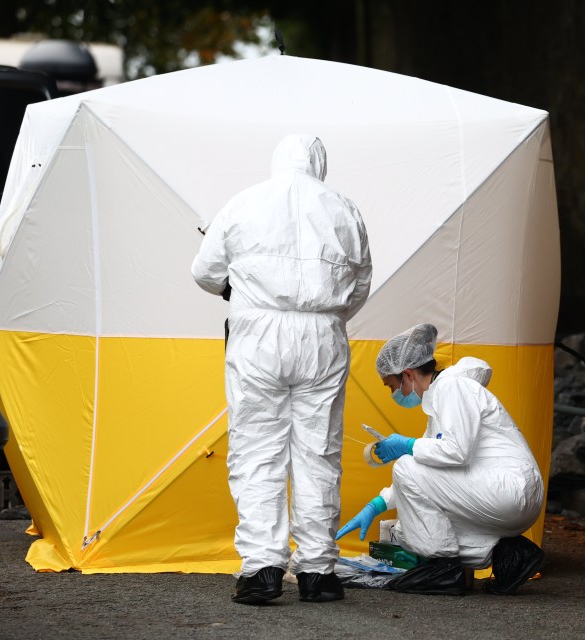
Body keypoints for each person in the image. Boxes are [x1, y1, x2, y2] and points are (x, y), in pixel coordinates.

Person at [192, 134, 372, 605]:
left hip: (258, 334)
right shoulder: (344, 208)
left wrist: (242, 290)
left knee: (257, 450)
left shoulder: (243, 202)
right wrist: (326, 317)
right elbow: (361, 283)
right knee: (319, 452)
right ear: (318, 164)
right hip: (323, 336)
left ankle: (262, 569)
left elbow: (205, 272)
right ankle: (317, 571)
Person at [336, 323, 545, 595]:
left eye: (391, 386)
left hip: (509, 490)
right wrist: (377, 505)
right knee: (407, 530)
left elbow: (455, 452)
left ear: (407, 374)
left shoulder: (452, 388)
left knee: (407, 467)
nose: (393, 394)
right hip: (506, 496)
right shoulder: (442, 400)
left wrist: (406, 445)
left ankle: (444, 571)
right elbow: (431, 472)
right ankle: (508, 554)